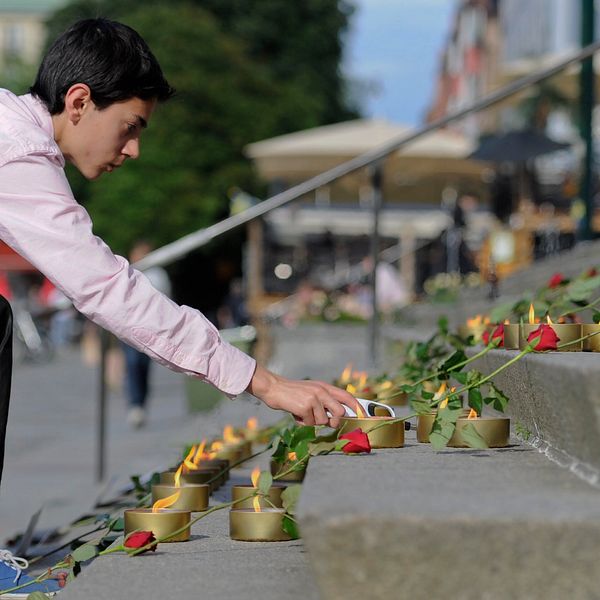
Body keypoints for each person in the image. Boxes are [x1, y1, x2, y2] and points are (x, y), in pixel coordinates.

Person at [0, 18, 355, 592]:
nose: (135, 150)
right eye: (130, 127)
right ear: (80, 101)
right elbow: (106, 286)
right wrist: (263, 383)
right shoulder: (15, 152)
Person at [122, 241, 172, 428]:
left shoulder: (157, 274)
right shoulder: (127, 271)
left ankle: (140, 402)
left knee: (143, 366)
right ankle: (135, 404)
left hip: (150, 328)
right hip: (129, 326)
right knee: (133, 364)